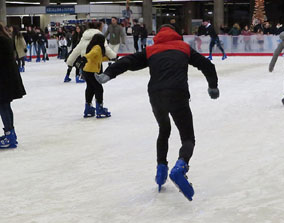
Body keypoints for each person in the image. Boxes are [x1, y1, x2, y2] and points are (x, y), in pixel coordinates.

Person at [94, 24, 219, 201]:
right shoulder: (183, 47)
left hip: (156, 96)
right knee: (188, 138)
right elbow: (207, 65)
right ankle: (180, 167)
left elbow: (128, 61)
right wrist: (213, 87)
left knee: (164, 130)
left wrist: (108, 73)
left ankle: (161, 171)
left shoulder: (152, 50)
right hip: (178, 94)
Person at [0, 23, 26, 149]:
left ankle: (9, 135)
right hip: (8, 78)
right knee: (5, 106)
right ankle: (10, 134)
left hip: (4, 80)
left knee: (3, 106)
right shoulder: (6, 39)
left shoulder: (1, 41)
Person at [82, 34, 111, 118]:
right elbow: (92, 54)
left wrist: (109, 58)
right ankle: (99, 109)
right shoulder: (97, 47)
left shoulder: (93, 46)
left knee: (90, 88)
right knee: (99, 88)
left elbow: (97, 58)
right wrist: (85, 57)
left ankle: (88, 108)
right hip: (92, 71)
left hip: (86, 70)